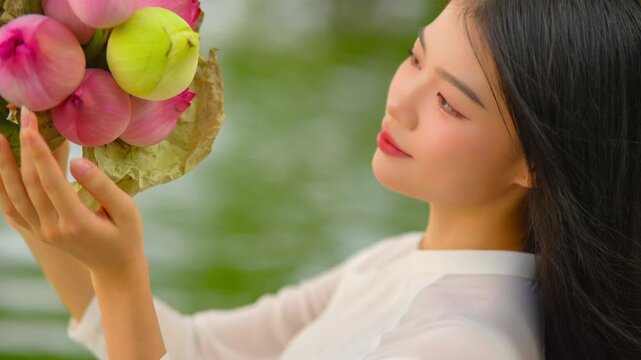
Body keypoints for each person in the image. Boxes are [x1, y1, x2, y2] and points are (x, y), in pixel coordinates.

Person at [1, 0, 641, 358]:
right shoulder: (400, 263)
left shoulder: (463, 344)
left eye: (450, 103)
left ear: (537, 159)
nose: (401, 101)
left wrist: (121, 273)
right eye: (415, 57)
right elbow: (194, 349)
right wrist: (38, 189)